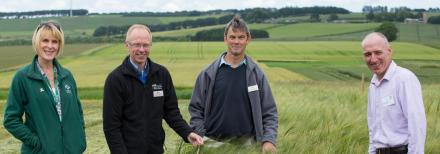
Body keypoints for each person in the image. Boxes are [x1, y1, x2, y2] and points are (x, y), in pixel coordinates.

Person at [103, 24, 203, 153]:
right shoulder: (115, 80)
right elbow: (111, 127)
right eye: (136, 44)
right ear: (127, 45)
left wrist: (188, 133)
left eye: (146, 45)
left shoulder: (161, 74)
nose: (141, 49)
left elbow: (171, 112)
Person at [188, 16, 278, 153]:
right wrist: (201, 134)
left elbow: (269, 112)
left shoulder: (257, 75)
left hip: (248, 146)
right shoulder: (208, 74)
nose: (236, 41)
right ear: (225, 38)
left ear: (248, 39)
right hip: (212, 144)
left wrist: (268, 140)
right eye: (232, 37)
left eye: (241, 37)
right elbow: (195, 109)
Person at [3, 21, 86, 153]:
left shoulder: (67, 76)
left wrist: (78, 139)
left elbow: (78, 112)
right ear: (37, 42)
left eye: (55, 41)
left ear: (59, 45)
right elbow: (11, 120)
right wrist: (37, 143)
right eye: (45, 41)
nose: (50, 46)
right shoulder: (23, 77)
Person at [362, 32, 426, 154]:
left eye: (378, 52)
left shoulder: (404, 79)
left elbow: (417, 125)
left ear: (389, 51)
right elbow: (373, 127)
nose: (373, 59)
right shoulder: (373, 83)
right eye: (367, 54)